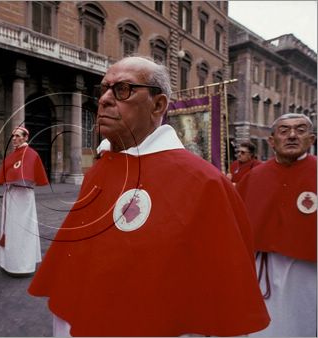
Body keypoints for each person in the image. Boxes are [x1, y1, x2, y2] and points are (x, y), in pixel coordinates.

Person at [28, 56, 270, 336]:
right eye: (104, 89)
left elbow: (219, 293)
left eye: (122, 90)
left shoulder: (205, 182)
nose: (105, 99)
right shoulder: (99, 168)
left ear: (158, 105)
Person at [236, 113, 316, 337]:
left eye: (300, 130)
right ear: (272, 141)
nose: (292, 135)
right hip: (263, 269)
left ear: (311, 139)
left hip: (309, 271)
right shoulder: (254, 177)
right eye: (284, 131)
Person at [0, 126, 49, 275]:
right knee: (10, 229)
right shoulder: (12, 155)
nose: (14, 139)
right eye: (13, 136)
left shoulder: (31, 154)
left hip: (23, 198)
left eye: (18, 136)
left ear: (25, 138)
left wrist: (13, 181)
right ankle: (9, 262)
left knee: (22, 229)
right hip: (11, 196)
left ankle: (22, 265)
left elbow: (28, 178)